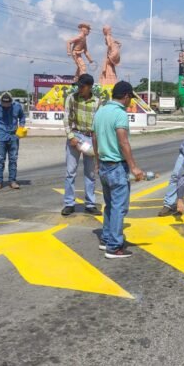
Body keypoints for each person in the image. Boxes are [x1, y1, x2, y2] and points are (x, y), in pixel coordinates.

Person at [92, 81, 143, 258]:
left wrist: (97, 161)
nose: (130, 102)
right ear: (126, 96)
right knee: (119, 208)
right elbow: (123, 142)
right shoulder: (120, 114)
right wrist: (133, 167)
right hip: (116, 167)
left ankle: (106, 238)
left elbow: (94, 138)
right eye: (130, 98)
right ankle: (114, 247)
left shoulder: (101, 111)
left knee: (110, 205)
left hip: (104, 165)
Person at [62, 73, 101, 216]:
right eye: (78, 86)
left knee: (90, 173)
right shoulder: (71, 98)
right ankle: (69, 204)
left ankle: (90, 204)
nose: (79, 89)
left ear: (89, 87)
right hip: (75, 136)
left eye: (82, 87)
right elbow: (66, 118)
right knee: (70, 172)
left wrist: (98, 143)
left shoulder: (97, 102)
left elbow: (99, 123)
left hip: (90, 138)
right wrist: (71, 136)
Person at [0, 91, 26, 190]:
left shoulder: (17, 106)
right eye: (4, 103)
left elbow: (22, 117)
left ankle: (12, 181)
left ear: (11, 102)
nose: (6, 106)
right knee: (0, 160)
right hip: (0, 137)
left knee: (13, 159)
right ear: (1, 101)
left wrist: (21, 126)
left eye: (8, 104)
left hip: (14, 137)